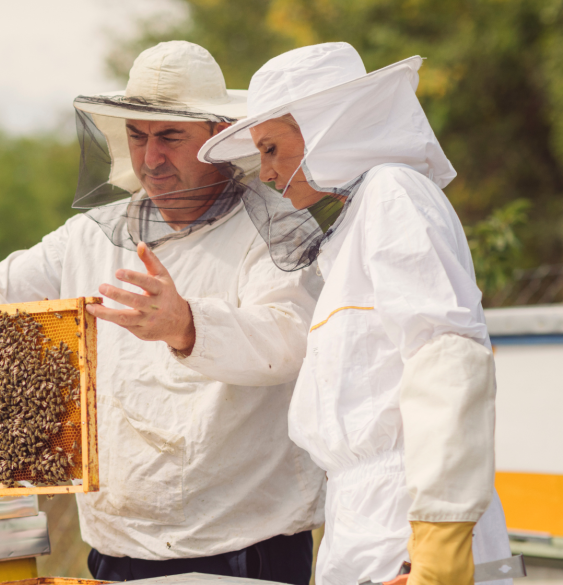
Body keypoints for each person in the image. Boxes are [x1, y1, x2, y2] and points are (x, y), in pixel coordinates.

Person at [0, 41, 326, 583]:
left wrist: (187, 326)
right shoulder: (93, 235)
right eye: (137, 136)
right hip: (116, 552)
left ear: (217, 137)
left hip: (243, 553)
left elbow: (292, 342)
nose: (150, 158)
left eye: (169, 136)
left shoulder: (276, 230)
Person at [198, 42, 512, 585]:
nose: (268, 174)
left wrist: (436, 548)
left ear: (326, 127)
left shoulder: (395, 194)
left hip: (407, 518)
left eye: (272, 148)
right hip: (364, 519)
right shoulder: (357, 220)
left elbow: (447, 356)